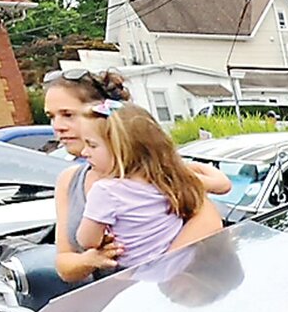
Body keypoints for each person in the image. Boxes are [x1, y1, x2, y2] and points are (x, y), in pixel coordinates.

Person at [43, 68, 224, 283]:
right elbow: (64, 264)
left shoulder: (155, 173)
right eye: (51, 117)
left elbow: (210, 219)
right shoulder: (69, 181)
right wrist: (90, 259)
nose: (57, 127)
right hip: (109, 306)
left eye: (68, 115)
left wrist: (152, 279)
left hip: (172, 295)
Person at [74, 104, 229, 269]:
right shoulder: (166, 179)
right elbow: (223, 184)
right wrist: (188, 166)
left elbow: (86, 240)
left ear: (122, 149)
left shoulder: (105, 191)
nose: (84, 152)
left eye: (92, 145)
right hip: (180, 266)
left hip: (138, 274)